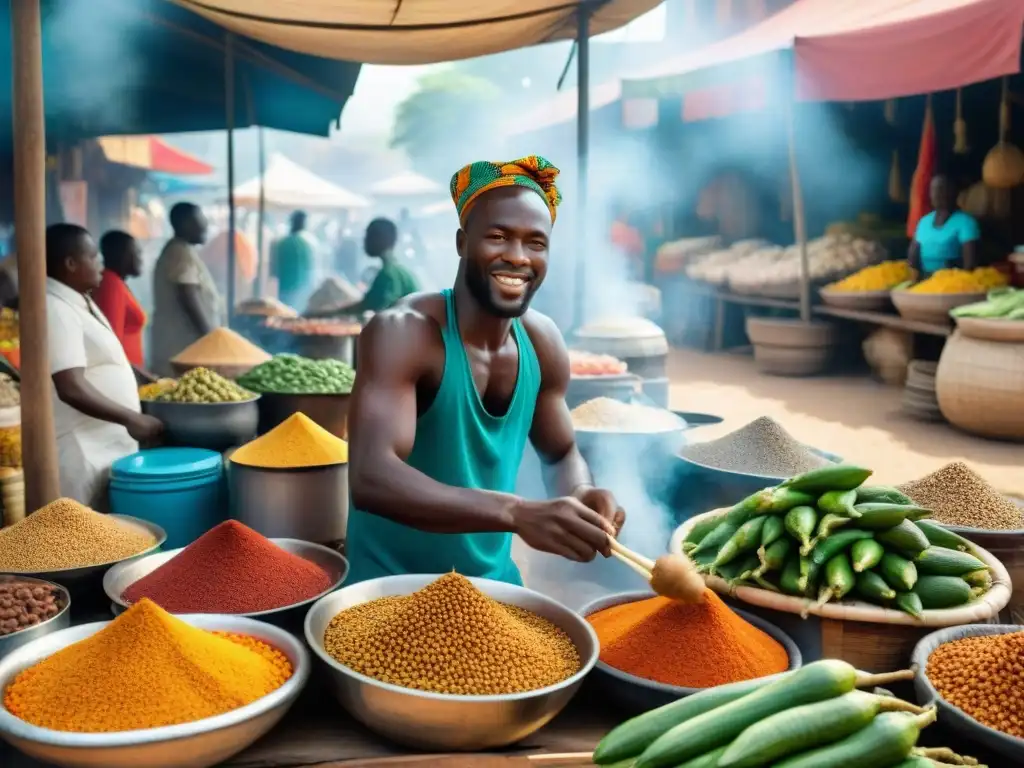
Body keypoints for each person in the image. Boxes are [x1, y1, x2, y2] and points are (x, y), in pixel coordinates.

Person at [346, 156, 624, 585]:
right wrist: (515, 512)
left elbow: (561, 453)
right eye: (498, 236)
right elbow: (372, 476)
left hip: (493, 592)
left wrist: (580, 494)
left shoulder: (543, 343)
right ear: (462, 242)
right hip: (386, 593)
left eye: (536, 243)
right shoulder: (404, 333)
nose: (517, 257)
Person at [45, 224, 163, 509]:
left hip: (108, 447)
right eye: (94, 256)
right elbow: (70, 387)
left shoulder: (79, 299)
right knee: (88, 546)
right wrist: (131, 418)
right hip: (84, 451)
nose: (101, 264)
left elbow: (109, 359)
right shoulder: (55, 308)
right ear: (71, 264)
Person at [150, 202, 220, 377]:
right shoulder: (179, 253)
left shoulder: (182, 250)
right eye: (200, 220)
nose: (205, 225)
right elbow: (188, 296)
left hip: (180, 348)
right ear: (184, 224)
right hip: (180, 348)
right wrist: (210, 338)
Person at [331, 218, 420, 316]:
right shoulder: (398, 272)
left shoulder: (389, 275)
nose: (364, 241)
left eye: (368, 236)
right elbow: (369, 303)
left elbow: (375, 307)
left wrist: (331, 314)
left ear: (379, 239)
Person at [92, 230, 147, 369]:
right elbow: (112, 342)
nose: (141, 258)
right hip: (123, 371)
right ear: (121, 255)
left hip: (131, 370)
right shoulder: (111, 284)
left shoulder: (116, 282)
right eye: (137, 252)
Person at [909, 175, 980, 277]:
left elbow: (970, 265)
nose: (937, 194)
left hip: (952, 282)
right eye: (933, 190)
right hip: (925, 282)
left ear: (954, 193)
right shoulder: (924, 222)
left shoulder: (966, 222)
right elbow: (912, 260)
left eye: (942, 189)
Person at [271, 210, 318, 310]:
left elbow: (274, 270)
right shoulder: (309, 242)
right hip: (303, 290)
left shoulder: (282, 243)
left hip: (285, 289)